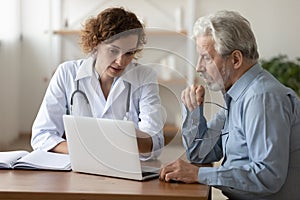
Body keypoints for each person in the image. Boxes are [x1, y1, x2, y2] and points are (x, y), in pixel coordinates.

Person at [159, 10, 300, 199]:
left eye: (207, 58)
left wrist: (199, 175)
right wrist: (193, 112)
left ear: (235, 59)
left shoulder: (262, 98)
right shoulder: (236, 97)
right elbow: (200, 154)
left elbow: (268, 176)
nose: (199, 67)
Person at [31, 7, 164, 160]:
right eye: (113, 51)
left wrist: (127, 138)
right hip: (78, 166)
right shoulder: (67, 73)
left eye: (129, 53)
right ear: (95, 43)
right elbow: (42, 136)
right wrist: (87, 150)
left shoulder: (144, 77)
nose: (121, 61)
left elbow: (155, 143)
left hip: (124, 169)